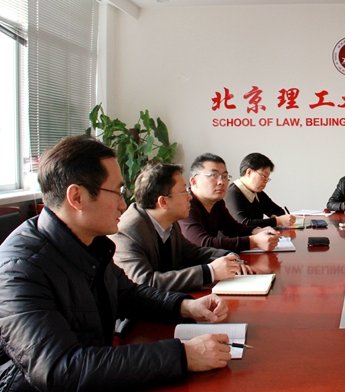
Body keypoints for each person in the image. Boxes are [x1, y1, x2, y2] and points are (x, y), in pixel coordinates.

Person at [0, 135, 234, 391]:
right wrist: (182, 356)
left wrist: (186, 306)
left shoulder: (90, 243)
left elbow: (127, 294)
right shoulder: (20, 269)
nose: (124, 204)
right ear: (77, 197)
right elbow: (60, 369)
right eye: (117, 192)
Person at [112, 162, 253, 292]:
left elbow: (192, 253)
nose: (189, 197)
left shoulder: (169, 222)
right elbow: (144, 282)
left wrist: (227, 256)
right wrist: (210, 272)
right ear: (163, 202)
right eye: (184, 191)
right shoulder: (127, 232)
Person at [179, 153, 280, 252]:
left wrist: (257, 231)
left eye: (224, 176)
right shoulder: (186, 205)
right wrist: (254, 241)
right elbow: (202, 243)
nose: (221, 182)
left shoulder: (217, 203)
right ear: (194, 181)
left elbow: (232, 228)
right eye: (213, 175)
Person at [225, 152, 296, 228]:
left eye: (267, 178)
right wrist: (277, 221)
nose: (266, 181)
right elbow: (244, 223)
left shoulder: (258, 193)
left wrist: (276, 218)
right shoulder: (232, 193)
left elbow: (279, 211)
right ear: (249, 172)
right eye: (264, 176)